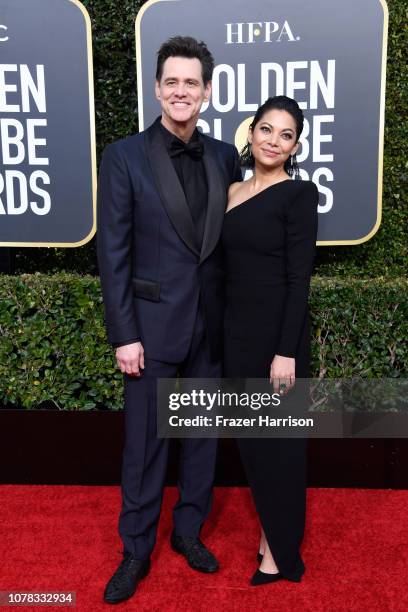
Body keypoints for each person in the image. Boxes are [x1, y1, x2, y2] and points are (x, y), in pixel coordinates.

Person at [97, 36, 241, 604]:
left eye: (193, 82)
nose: (182, 91)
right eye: (172, 82)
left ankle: (188, 532)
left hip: (210, 327)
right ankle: (135, 549)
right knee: (146, 446)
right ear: (157, 88)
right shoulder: (125, 156)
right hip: (151, 332)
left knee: (203, 439)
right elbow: (113, 253)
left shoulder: (223, 157)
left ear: (207, 92)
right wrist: (124, 333)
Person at [222, 96, 318, 585]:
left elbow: (298, 279)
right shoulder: (232, 191)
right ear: (252, 132)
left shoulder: (300, 195)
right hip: (234, 335)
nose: (273, 141)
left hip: (277, 341)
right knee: (253, 446)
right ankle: (268, 531)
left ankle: (281, 550)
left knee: (278, 446)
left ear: (295, 145)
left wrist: (286, 351)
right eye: (266, 129)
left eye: (286, 135)